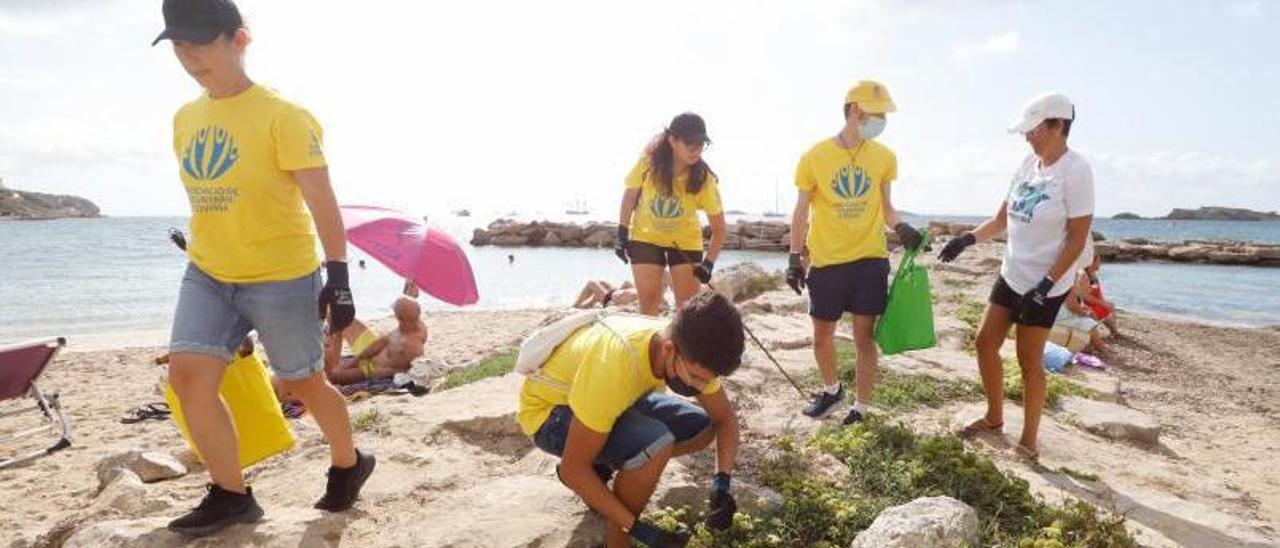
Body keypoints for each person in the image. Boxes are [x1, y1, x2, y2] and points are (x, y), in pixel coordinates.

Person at [154, 0, 373, 535]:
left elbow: (322, 200)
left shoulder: (284, 116)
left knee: (303, 383)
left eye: (200, 43)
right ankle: (232, 494)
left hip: (281, 275)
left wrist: (339, 277)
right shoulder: (185, 118)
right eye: (179, 45)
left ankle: (349, 463)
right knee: (188, 377)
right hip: (208, 272)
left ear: (240, 39)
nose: (188, 56)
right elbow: (215, 200)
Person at [517, 291, 746, 548]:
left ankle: (601, 470)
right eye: (696, 377)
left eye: (708, 380)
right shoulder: (616, 363)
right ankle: (616, 540)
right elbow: (573, 470)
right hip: (551, 415)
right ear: (669, 349)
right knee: (655, 444)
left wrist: (721, 486)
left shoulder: (692, 349)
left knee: (700, 428)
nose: (702, 386)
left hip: (605, 403)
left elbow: (725, 419)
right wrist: (642, 531)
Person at [939, 92, 1095, 460]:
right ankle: (994, 418)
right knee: (984, 343)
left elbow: (1076, 238)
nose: (1028, 137)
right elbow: (1001, 219)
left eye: (1034, 129)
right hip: (1012, 273)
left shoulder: (1076, 171)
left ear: (1058, 126)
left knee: (1029, 360)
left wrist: (1045, 286)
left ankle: (1028, 443)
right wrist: (967, 239)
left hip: (1047, 283)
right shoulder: (1028, 164)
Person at [785, 80, 925, 425]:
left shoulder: (884, 157)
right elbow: (801, 210)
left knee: (864, 337)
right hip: (828, 260)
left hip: (869, 260)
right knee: (822, 336)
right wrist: (793, 257)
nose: (881, 121)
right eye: (877, 113)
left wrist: (902, 227)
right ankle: (832, 390)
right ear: (855, 110)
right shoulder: (814, 156)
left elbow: (887, 207)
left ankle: (861, 408)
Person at [614, 113, 727, 316]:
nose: (697, 151)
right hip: (645, 238)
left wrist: (708, 264)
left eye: (701, 145)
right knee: (648, 303)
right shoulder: (648, 163)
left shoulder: (704, 179)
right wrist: (621, 233)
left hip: (684, 243)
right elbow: (630, 196)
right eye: (690, 144)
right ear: (672, 140)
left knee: (686, 310)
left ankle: (681, 348)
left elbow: (719, 230)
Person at [324, 294, 427, 385]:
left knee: (334, 376)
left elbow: (399, 370)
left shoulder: (411, 346)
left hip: (370, 369)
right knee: (337, 316)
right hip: (368, 352)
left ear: (400, 318)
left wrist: (352, 367)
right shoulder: (412, 323)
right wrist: (354, 361)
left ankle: (331, 368)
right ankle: (334, 362)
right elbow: (377, 345)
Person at [574, 280, 640, 309]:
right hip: (613, 293)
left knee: (591, 283)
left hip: (609, 299)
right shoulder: (641, 291)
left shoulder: (640, 299)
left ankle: (576, 305)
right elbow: (627, 284)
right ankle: (589, 304)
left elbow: (628, 304)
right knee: (602, 283)